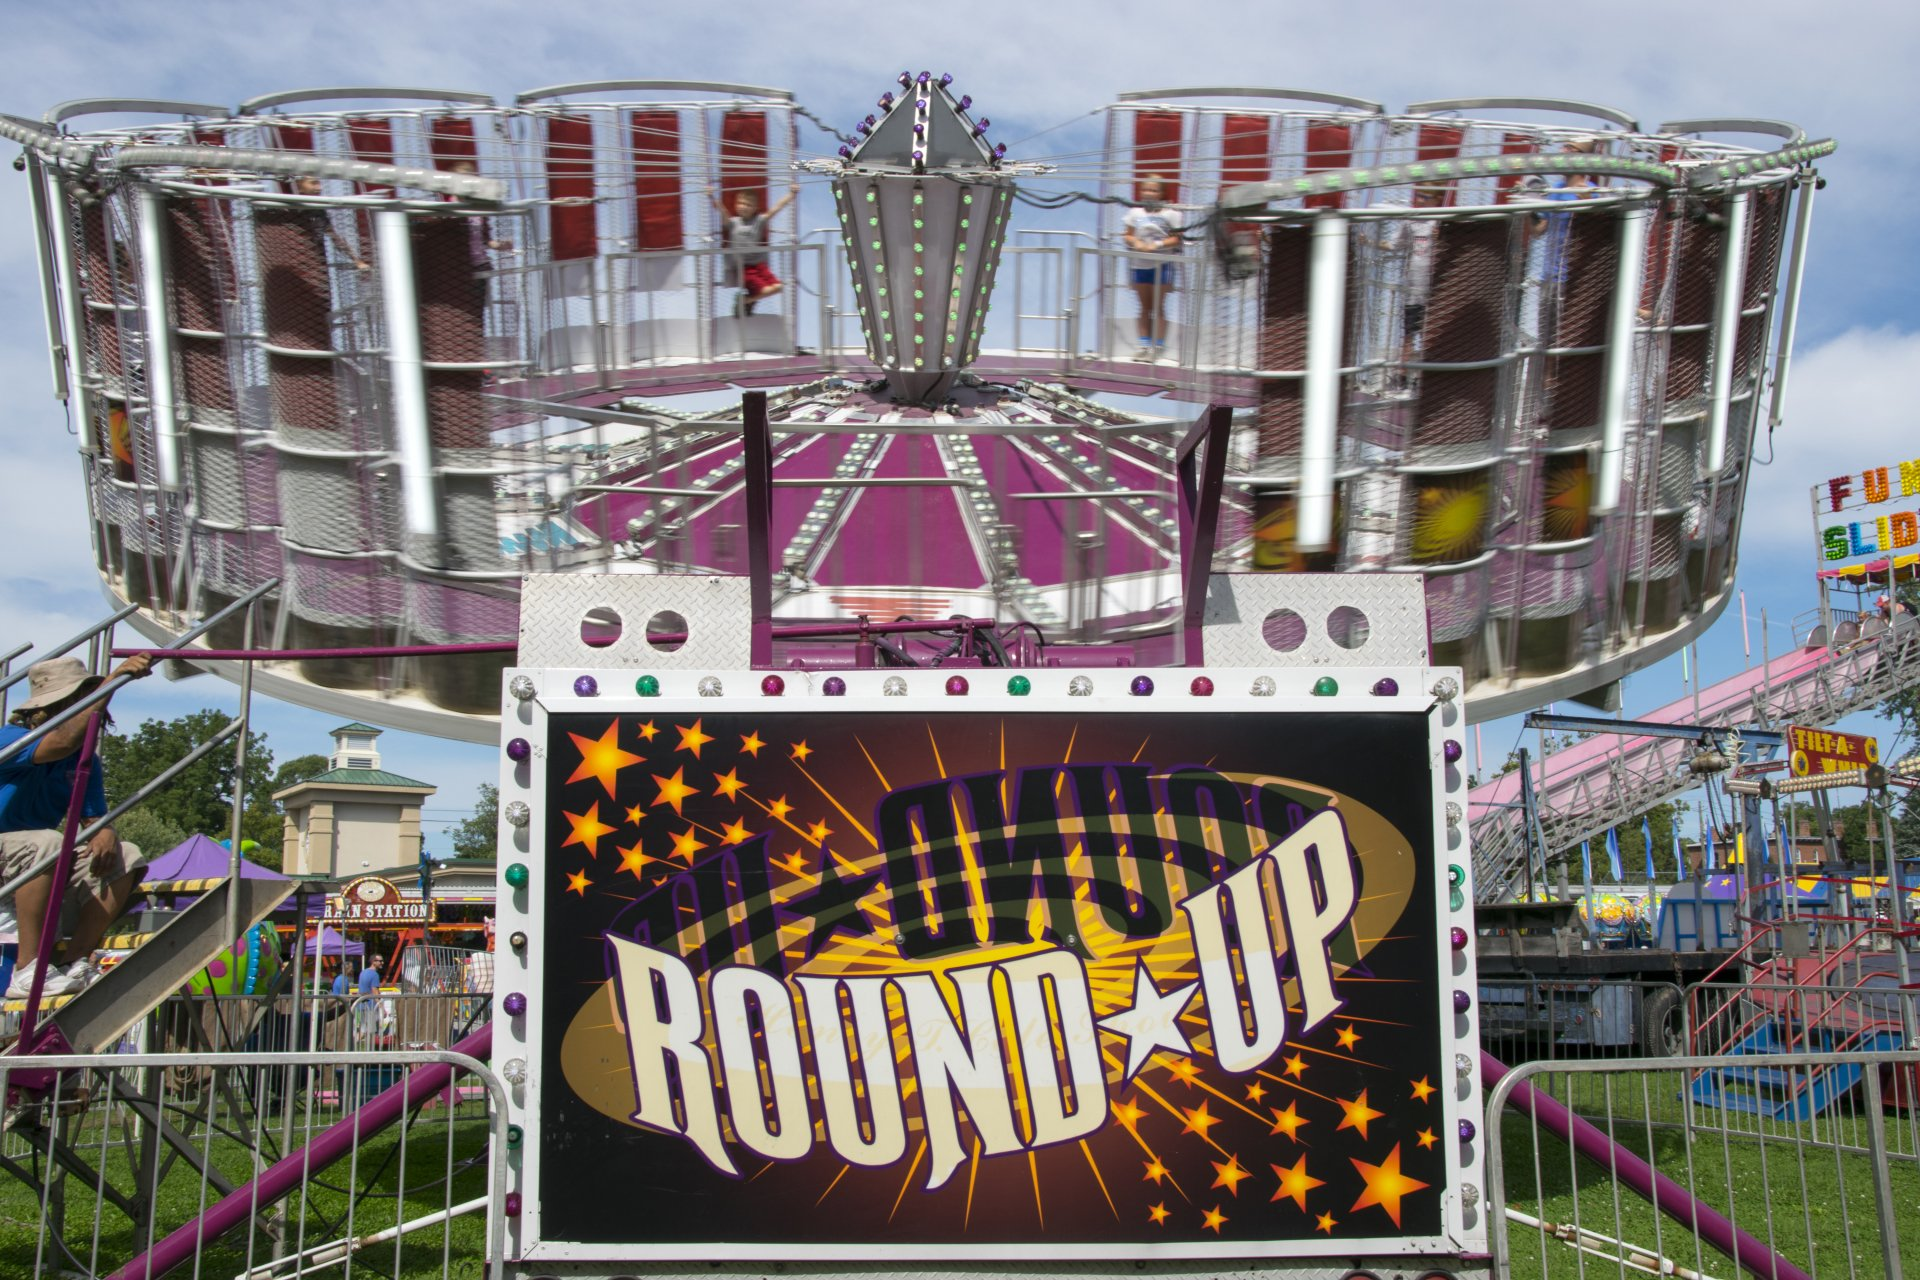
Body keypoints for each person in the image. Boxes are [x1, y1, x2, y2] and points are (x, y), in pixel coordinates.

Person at [0, 654, 152, 998]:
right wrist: (113, 683)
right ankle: (28, 970)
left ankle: (75, 962)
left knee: (126, 854)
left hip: (33, 860)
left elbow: (93, 817)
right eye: (77, 700)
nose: (89, 709)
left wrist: (105, 831)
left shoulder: (83, 759)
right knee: (48, 843)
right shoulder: (10, 739)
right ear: (49, 707)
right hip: (13, 849)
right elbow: (61, 741)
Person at [1122, 176, 1184, 361]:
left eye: (1154, 190)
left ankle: (1158, 346)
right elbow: (1127, 236)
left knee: (1158, 307)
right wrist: (1137, 243)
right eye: (1146, 190)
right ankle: (1143, 344)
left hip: (1162, 264)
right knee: (1143, 307)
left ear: (1161, 193)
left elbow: (1176, 238)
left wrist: (1156, 245)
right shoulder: (1135, 213)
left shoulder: (1171, 214)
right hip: (1140, 264)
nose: (1149, 193)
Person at [716, 185, 800, 315]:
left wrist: (791, 195)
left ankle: (747, 300)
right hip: (744, 268)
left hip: (760, 266)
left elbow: (776, 209)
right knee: (765, 290)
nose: (743, 206)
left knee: (779, 287)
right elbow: (723, 212)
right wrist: (711, 196)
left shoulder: (759, 221)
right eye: (741, 203)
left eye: (748, 205)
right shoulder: (733, 223)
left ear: (755, 208)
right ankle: (747, 301)